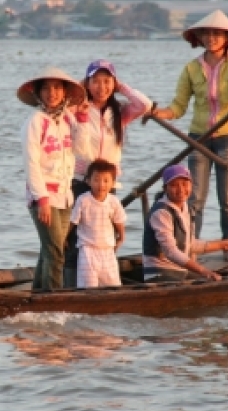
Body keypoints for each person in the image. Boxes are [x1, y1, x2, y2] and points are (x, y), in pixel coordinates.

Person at [152, 10, 228, 254]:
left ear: (226, 37)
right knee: (194, 200)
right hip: (199, 138)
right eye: (207, 34)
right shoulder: (192, 69)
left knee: (227, 200)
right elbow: (178, 107)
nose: (212, 38)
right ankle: (190, 248)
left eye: (217, 34)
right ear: (200, 37)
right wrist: (158, 113)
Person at [64, 59, 152, 287]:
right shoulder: (78, 107)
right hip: (81, 180)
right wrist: (80, 88)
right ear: (88, 83)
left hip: (106, 182)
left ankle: (103, 282)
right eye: (95, 81)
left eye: (106, 81)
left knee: (104, 234)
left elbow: (144, 104)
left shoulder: (119, 112)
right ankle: (72, 285)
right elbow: (61, 103)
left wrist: (121, 86)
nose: (101, 87)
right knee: (76, 237)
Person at [17, 67, 86, 290]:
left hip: (64, 196)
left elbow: (82, 150)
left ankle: (38, 295)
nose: (52, 93)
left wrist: (82, 118)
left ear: (65, 92)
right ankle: (53, 303)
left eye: (57, 88)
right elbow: (31, 163)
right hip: (43, 197)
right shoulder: (35, 121)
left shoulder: (67, 119)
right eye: (46, 88)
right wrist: (42, 200)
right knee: (56, 254)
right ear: (38, 93)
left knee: (48, 251)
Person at [143, 165, 228, 282]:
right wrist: (204, 271)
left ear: (191, 185)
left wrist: (223, 244)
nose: (181, 190)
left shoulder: (186, 208)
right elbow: (170, 251)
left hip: (179, 270)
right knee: (208, 280)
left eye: (184, 184)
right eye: (174, 185)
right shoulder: (161, 212)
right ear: (165, 188)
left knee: (220, 280)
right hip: (159, 273)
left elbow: (191, 245)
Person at [68, 159, 126, 288]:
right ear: (88, 181)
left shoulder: (114, 201)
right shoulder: (83, 200)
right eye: (96, 180)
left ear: (113, 183)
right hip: (87, 249)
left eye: (106, 181)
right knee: (88, 286)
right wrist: (65, 238)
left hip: (107, 250)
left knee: (113, 284)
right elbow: (73, 221)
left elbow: (119, 220)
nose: (101, 184)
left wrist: (121, 237)